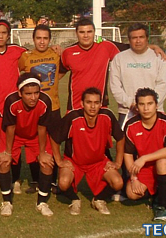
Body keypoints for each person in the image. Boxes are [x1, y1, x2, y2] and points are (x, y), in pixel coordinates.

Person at [61, 18, 166, 113]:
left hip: (100, 105)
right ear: (76, 33)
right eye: (82, 32)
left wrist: (153, 46)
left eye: (89, 31)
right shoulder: (68, 52)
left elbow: (133, 46)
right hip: (75, 105)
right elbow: (58, 74)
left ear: (94, 32)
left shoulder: (106, 46)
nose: (86, 35)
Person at [51, 87, 125, 216]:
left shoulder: (107, 116)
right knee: (63, 183)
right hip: (75, 162)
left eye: (96, 102)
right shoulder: (73, 117)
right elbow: (54, 138)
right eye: (89, 102)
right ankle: (75, 200)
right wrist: (59, 161)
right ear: (82, 103)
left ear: (101, 104)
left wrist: (118, 162)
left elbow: (120, 138)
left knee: (118, 183)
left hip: (98, 162)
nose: (92, 106)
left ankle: (98, 199)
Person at [0, 73, 57, 217]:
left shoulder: (45, 101)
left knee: (47, 163)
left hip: (35, 135)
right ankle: (6, 202)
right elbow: (10, 128)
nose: (33, 97)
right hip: (14, 135)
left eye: (36, 93)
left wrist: (42, 153)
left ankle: (42, 203)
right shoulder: (11, 101)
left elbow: (42, 128)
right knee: (4, 162)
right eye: (28, 94)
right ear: (20, 93)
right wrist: (8, 152)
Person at [18, 24, 66, 193]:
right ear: (33, 39)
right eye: (38, 38)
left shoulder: (56, 54)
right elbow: (18, 73)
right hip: (33, 108)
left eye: (45, 38)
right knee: (34, 143)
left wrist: (54, 81)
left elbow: (62, 71)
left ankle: (52, 180)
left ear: (50, 39)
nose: (42, 41)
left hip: (53, 107)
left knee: (53, 143)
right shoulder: (26, 57)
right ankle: (36, 180)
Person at [124, 88, 166, 221]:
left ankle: (163, 206)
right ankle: (158, 190)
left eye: (150, 104)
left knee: (162, 163)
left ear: (156, 105)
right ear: (137, 107)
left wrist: (144, 158)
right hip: (147, 166)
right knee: (131, 193)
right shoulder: (131, 125)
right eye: (142, 104)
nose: (146, 108)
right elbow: (127, 155)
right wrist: (134, 178)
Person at [0, 20, 27, 196]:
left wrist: (56, 49)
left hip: (14, 107)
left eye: (4, 33)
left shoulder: (17, 51)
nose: (1, 36)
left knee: (13, 145)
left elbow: (36, 55)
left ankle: (15, 180)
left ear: (8, 35)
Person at [110, 23, 166, 127]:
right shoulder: (119, 59)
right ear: (129, 40)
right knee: (125, 138)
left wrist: (147, 104)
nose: (138, 41)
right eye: (134, 38)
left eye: (141, 37)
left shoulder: (159, 58)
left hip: (154, 112)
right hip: (127, 112)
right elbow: (115, 87)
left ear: (147, 38)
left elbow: (163, 85)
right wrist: (132, 104)